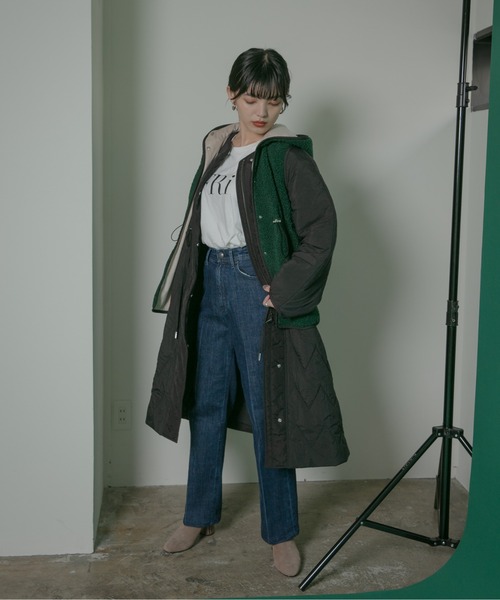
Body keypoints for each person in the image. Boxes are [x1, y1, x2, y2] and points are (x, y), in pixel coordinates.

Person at [146, 47, 349, 577]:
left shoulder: (287, 156)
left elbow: (321, 231)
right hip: (207, 282)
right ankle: (198, 515)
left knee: (268, 410)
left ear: (283, 103)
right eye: (253, 99)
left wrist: (283, 289)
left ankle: (281, 532)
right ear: (232, 95)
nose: (262, 112)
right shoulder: (217, 146)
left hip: (250, 286)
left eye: (274, 101)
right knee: (206, 403)